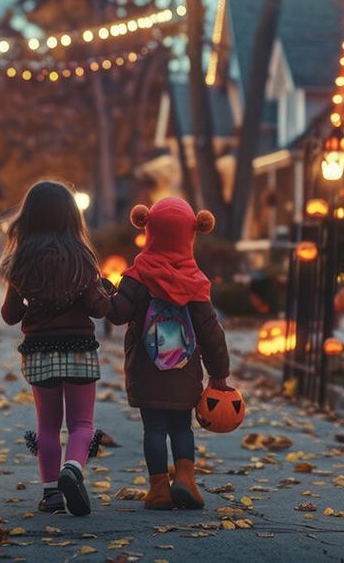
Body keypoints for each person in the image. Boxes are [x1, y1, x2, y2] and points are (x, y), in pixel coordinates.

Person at [106, 198, 231, 511]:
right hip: (184, 371)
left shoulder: (137, 276)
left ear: (148, 229)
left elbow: (118, 314)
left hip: (146, 371)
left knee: (154, 430)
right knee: (181, 427)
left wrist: (103, 290)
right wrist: (219, 374)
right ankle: (186, 480)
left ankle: (158, 488)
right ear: (192, 232)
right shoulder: (196, 282)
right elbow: (211, 332)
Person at [0, 181, 109, 516]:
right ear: (71, 218)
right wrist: (105, 291)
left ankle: (50, 495)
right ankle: (72, 469)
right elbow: (98, 308)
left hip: (39, 350)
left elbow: (9, 315)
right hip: (78, 348)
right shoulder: (83, 259)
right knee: (81, 424)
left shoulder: (21, 262)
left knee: (47, 425)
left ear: (28, 218)